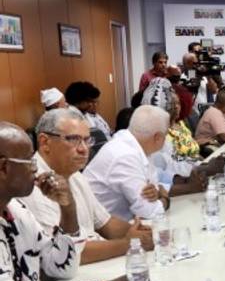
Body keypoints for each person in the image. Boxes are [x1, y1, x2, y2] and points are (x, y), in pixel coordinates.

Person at [0, 121, 128, 281]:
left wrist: (67, 208)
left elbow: (62, 268)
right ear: (3, 167)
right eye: (29, 161)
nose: (35, 168)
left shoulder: (17, 210)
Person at [20, 109, 154, 264]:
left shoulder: (75, 175)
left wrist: (141, 233)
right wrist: (129, 244)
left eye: (87, 140)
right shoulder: (33, 186)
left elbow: (107, 223)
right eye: (73, 139)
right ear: (45, 142)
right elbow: (67, 254)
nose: (83, 149)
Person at [84, 105, 171, 221]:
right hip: (101, 229)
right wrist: (165, 198)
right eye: (166, 135)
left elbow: (154, 187)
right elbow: (148, 212)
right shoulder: (125, 155)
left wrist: (158, 193)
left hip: (120, 224)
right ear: (157, 137)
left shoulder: (138, 146)